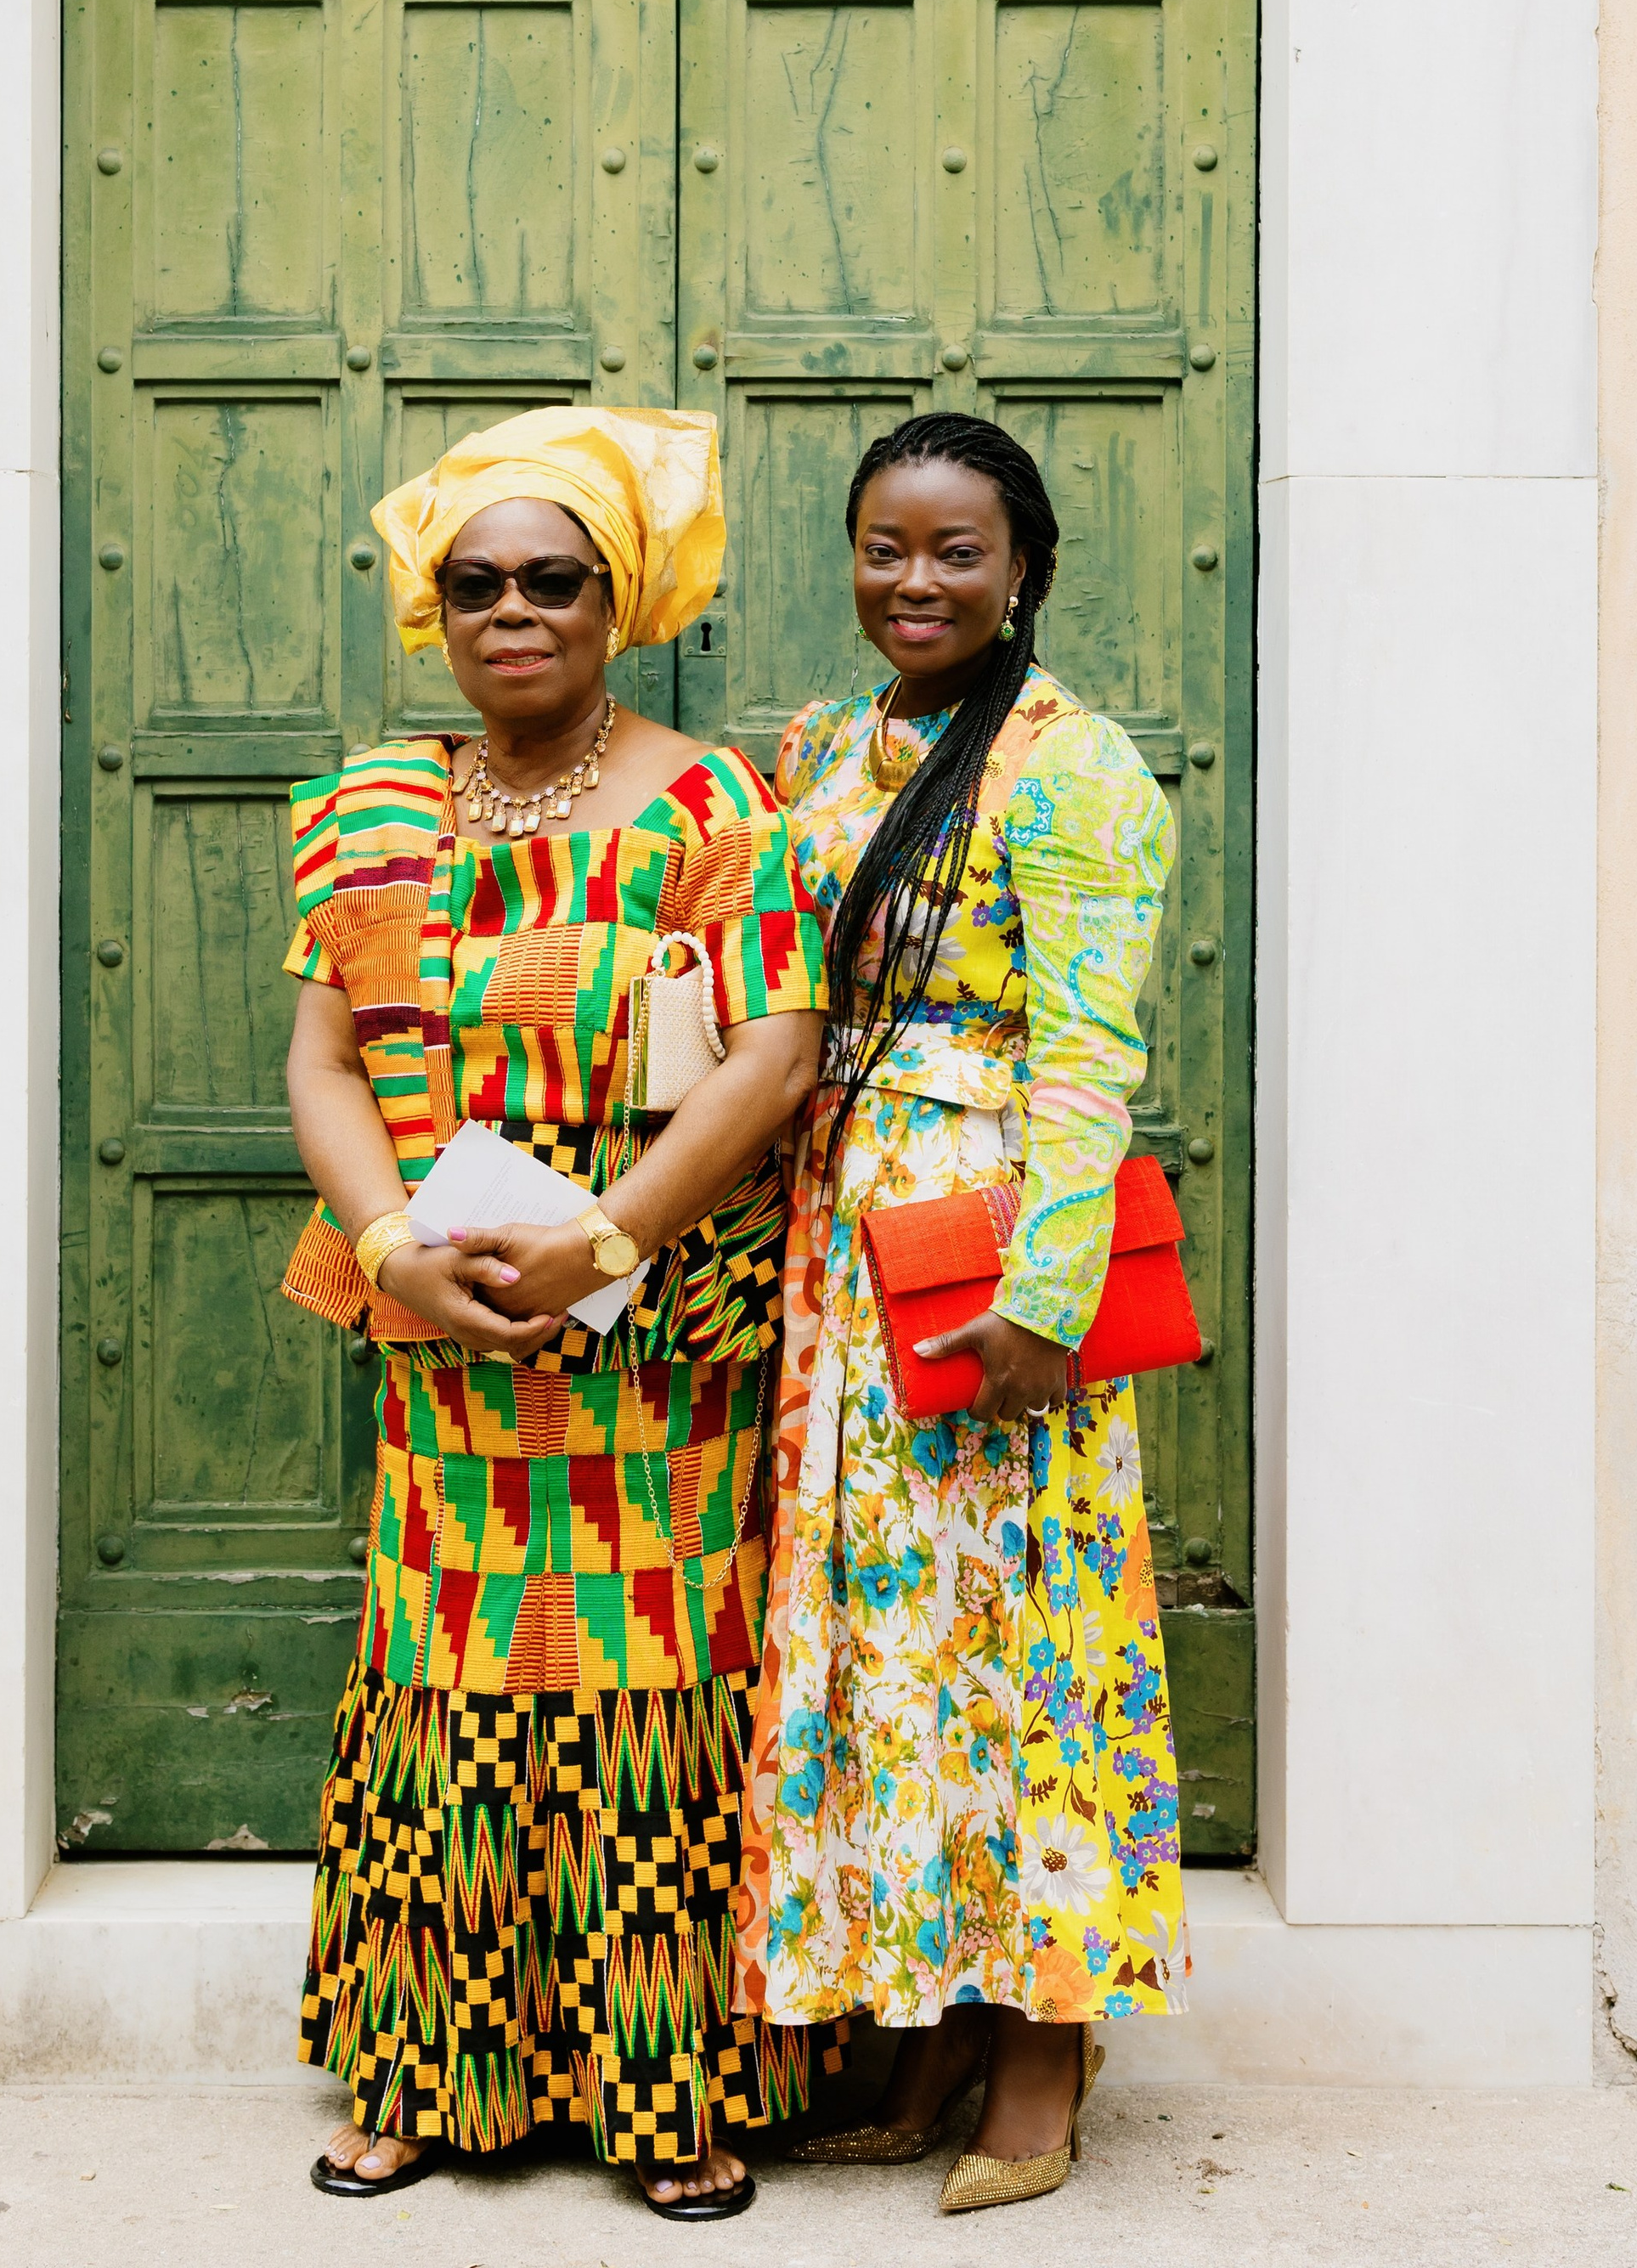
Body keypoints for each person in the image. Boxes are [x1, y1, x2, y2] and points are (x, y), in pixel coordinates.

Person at [279, 405, 828, 2218]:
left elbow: (774, 1053)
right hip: (442, 1331)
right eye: (475, 584)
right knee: (444, 1685)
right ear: (432, 608)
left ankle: (667, 2088)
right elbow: (325, 1062)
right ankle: (428, 2078)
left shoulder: (710, 805)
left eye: (554, 580)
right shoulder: (364, 808)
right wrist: (387, 1252)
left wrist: (607, 1239)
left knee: (649, 1684)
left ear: (620, 601)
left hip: (651, 1335)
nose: (512, 610)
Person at [737, 411, 1185, 2214]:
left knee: (1025, 1642)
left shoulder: (1075, 769)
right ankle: (919, 2020)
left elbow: (1087, 1059)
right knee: (889, 1646)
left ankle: (1045, 2050)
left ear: (1026, 571)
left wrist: (1043, 1300)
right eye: (883, 547)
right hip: (837, 1246)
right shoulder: (821, 748)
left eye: (955, 551)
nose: (912, 580)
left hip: (983, 1256)